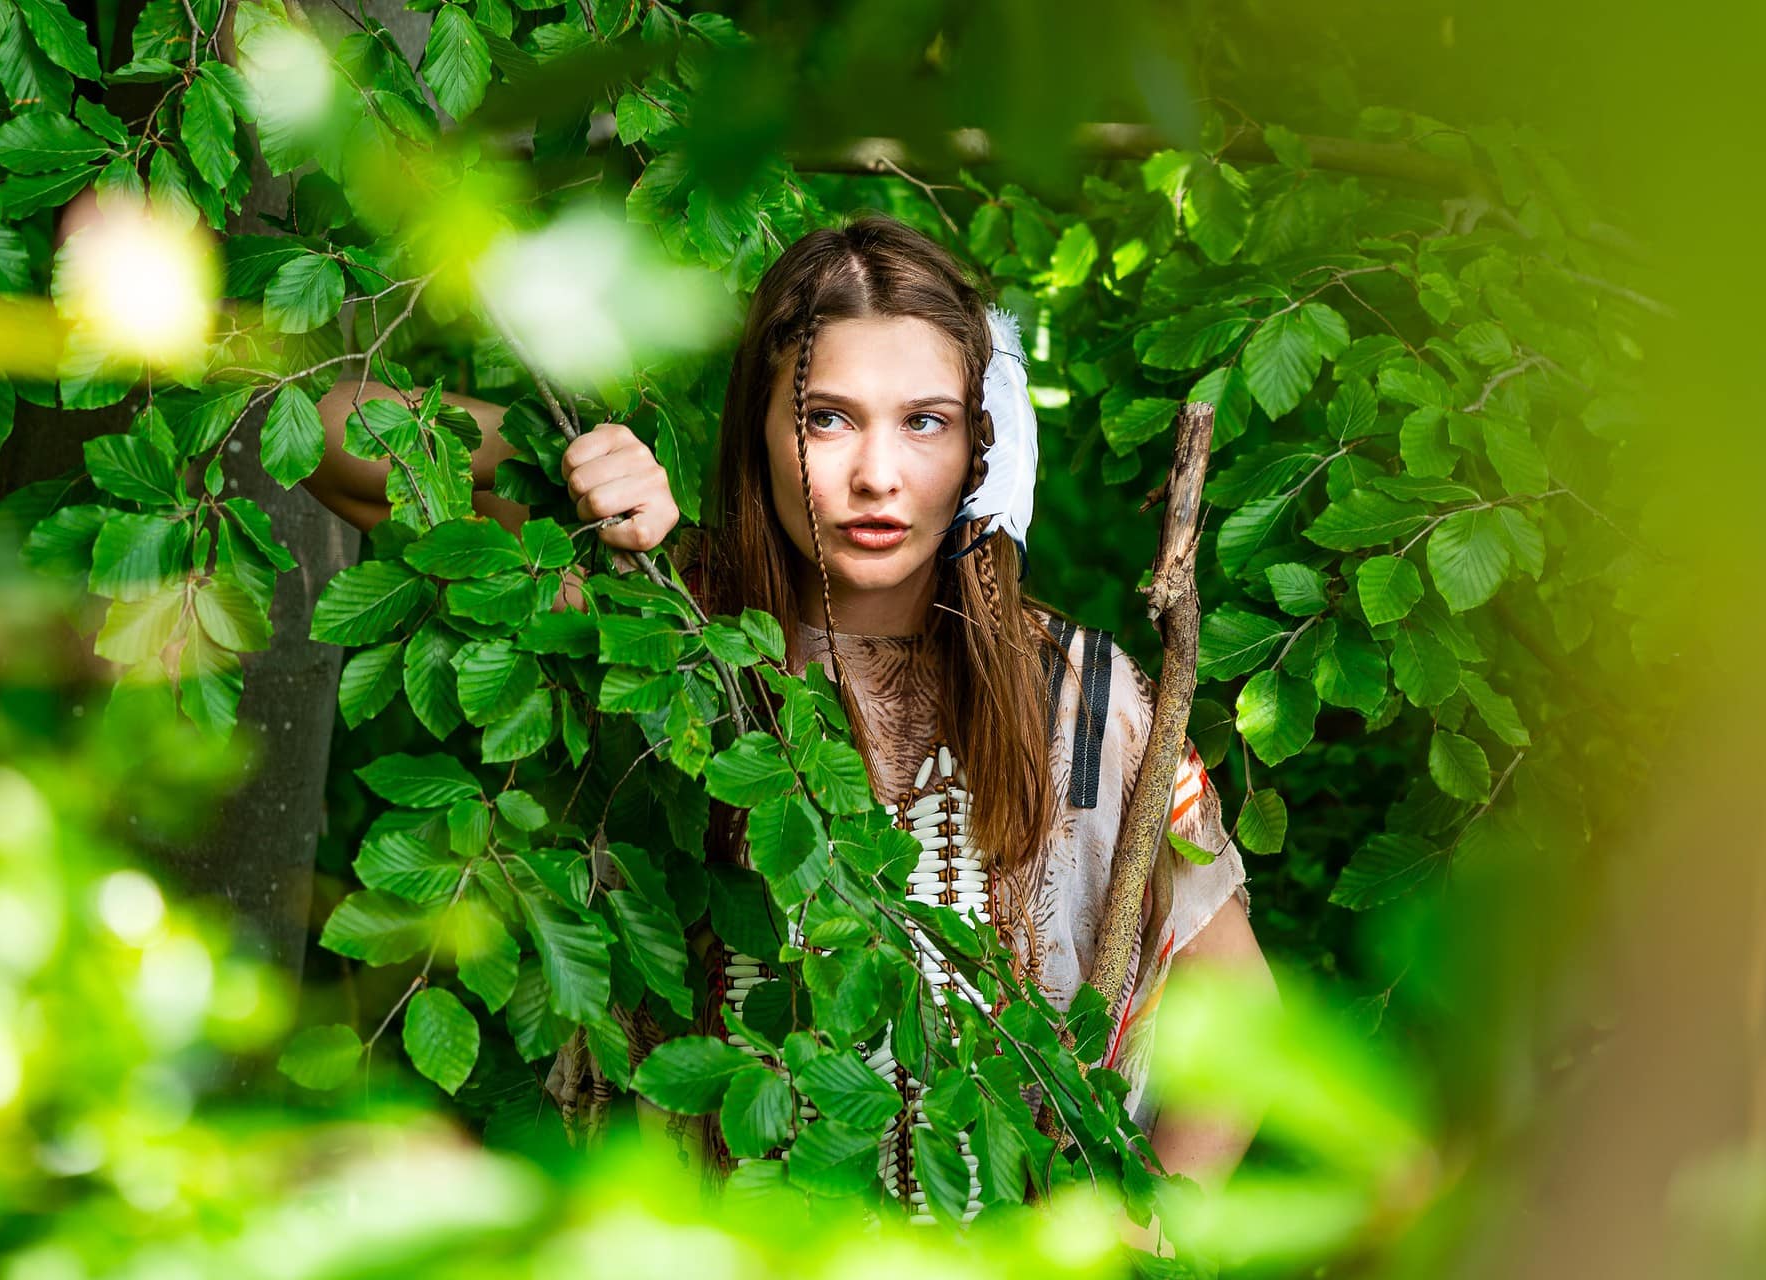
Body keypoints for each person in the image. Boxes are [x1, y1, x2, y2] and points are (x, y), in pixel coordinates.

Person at [303, 212, 1274, 1236]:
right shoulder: (660, 625)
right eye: (827, 418)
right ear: (758, 431)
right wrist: (561, 457)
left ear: (978, 443)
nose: (878, 474)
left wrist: (1152, 1230)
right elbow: (328, 440)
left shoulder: (1084, 696)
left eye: (925, 421)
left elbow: (1243, 1010)